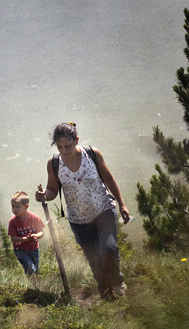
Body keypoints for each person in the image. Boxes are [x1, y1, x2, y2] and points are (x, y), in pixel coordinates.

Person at [35, 122, 130, 299]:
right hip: (79, 219)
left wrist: (122, 204)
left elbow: (109, 178)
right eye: (60, 146)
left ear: (76, 140)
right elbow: (53, 190)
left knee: (109, 248)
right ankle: (105, 292)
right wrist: (44, 195)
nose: (63, 151)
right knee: (94, 259)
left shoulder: (92, 155)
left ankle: (117, 281)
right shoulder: (54, 164)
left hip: (103, 210)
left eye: (68, 146)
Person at [8, 191, 45, 280]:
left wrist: (36, 236)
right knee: (30, 269)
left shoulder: (34, 218)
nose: (14, 209)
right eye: (13, 207)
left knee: (35, 270)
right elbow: (13, 239)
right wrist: (25, 239)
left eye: (17, 207)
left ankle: (36, 287)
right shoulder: (13, 222)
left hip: (34, 248)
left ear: (26, 206)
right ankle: (34, 286)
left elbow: (41, 232)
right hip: (20, 250)